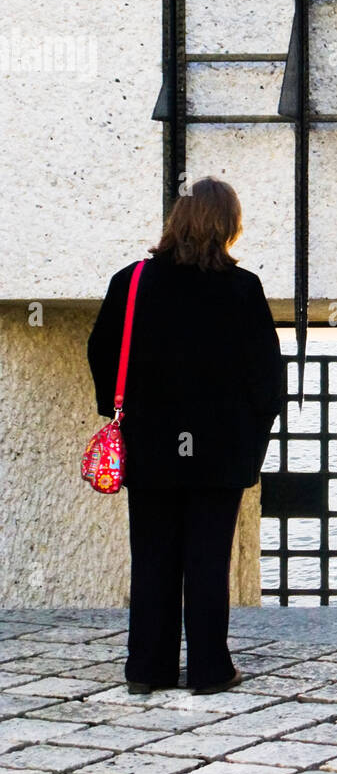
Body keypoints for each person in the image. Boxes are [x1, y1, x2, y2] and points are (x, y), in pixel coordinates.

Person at [87, 177, 284, 695]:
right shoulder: (243, 289)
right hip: (218, 451)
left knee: (151, 556)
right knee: (206, 559)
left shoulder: (131, 282)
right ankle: (208, 670)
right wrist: (252, 438)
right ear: (229, 227)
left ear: (176, 222)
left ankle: (145, 670)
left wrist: (119, 411)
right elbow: (267, 377)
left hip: (150, 445)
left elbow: (102, 352)